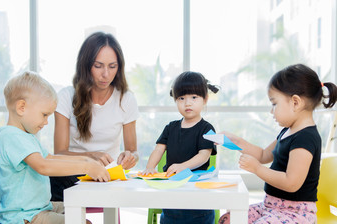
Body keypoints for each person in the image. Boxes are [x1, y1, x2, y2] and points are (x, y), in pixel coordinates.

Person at [218, 64, 337, 224]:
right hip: (269, 206)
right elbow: (263, 155)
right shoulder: (287, 131)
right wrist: (237, 141)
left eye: (274, 104)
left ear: (295, 102)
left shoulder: (306, 138)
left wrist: (257, 169)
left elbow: (291, 182)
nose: (271, 111)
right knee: (228, 219)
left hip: (295, 213)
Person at [0, 71, 110, 224]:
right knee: (83, 222)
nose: (46, 122)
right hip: (24, 217)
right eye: (44, 115)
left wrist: (85, 159)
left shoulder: (25, 136)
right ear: (21, 107)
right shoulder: (12, 137)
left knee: (78, 208)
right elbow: (43, 166)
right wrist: (87, 167)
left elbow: (49, 157)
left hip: (38, 208)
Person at [50, 32, 139, 201]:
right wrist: (91, 156)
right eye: (98, 66)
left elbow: (133, 151)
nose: (106, 74)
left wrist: (130, 157)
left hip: (107, 177)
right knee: (53, 179)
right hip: (72, 175)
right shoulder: (66, 96)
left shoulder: (126, 99)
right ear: (85, 65)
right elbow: (59, 153)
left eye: (112, 66)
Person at [142, 71, 219, 224]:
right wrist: (150, 167)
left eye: (194, 97)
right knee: (171, 216)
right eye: (181, 98)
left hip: (198, 195)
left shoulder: (206, 128)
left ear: (205, 99)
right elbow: (158, 149)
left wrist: (183, 166)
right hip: (172, 192)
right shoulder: (170, 127)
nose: (187, 103)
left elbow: (204, 155)